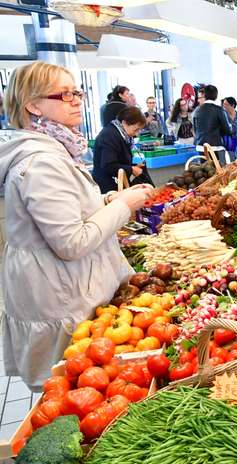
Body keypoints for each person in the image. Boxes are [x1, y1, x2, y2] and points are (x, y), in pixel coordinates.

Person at [0, 62, 153, 389]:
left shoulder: (56, 151)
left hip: (63, 285)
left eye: (77, 92)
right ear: (33, 105)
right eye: (64, 94)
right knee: (68, 388)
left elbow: (69, 213)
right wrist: (124, 207)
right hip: (57, 292)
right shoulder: (41, 163)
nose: (76, 100)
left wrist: (107, 201)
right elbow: (70, 242)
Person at [92, 106, 154, 193]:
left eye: (139, 130)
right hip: (107, 187)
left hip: (115, 182)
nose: (137, 134)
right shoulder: (109, 135)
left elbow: (118, 160)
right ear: (124, 123)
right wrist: (131, 169)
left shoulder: (120, 134)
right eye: (136, 129)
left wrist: (133, 166)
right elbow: (108, 165)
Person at [193, 84, 232, 162]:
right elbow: (227, 130)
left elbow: (195, 129)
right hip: (216, 146)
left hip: (201, 146)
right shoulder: (219, 110)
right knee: (218, 171)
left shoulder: (196, 110)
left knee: (204, 170)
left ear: (205, 95)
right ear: (216, 96)